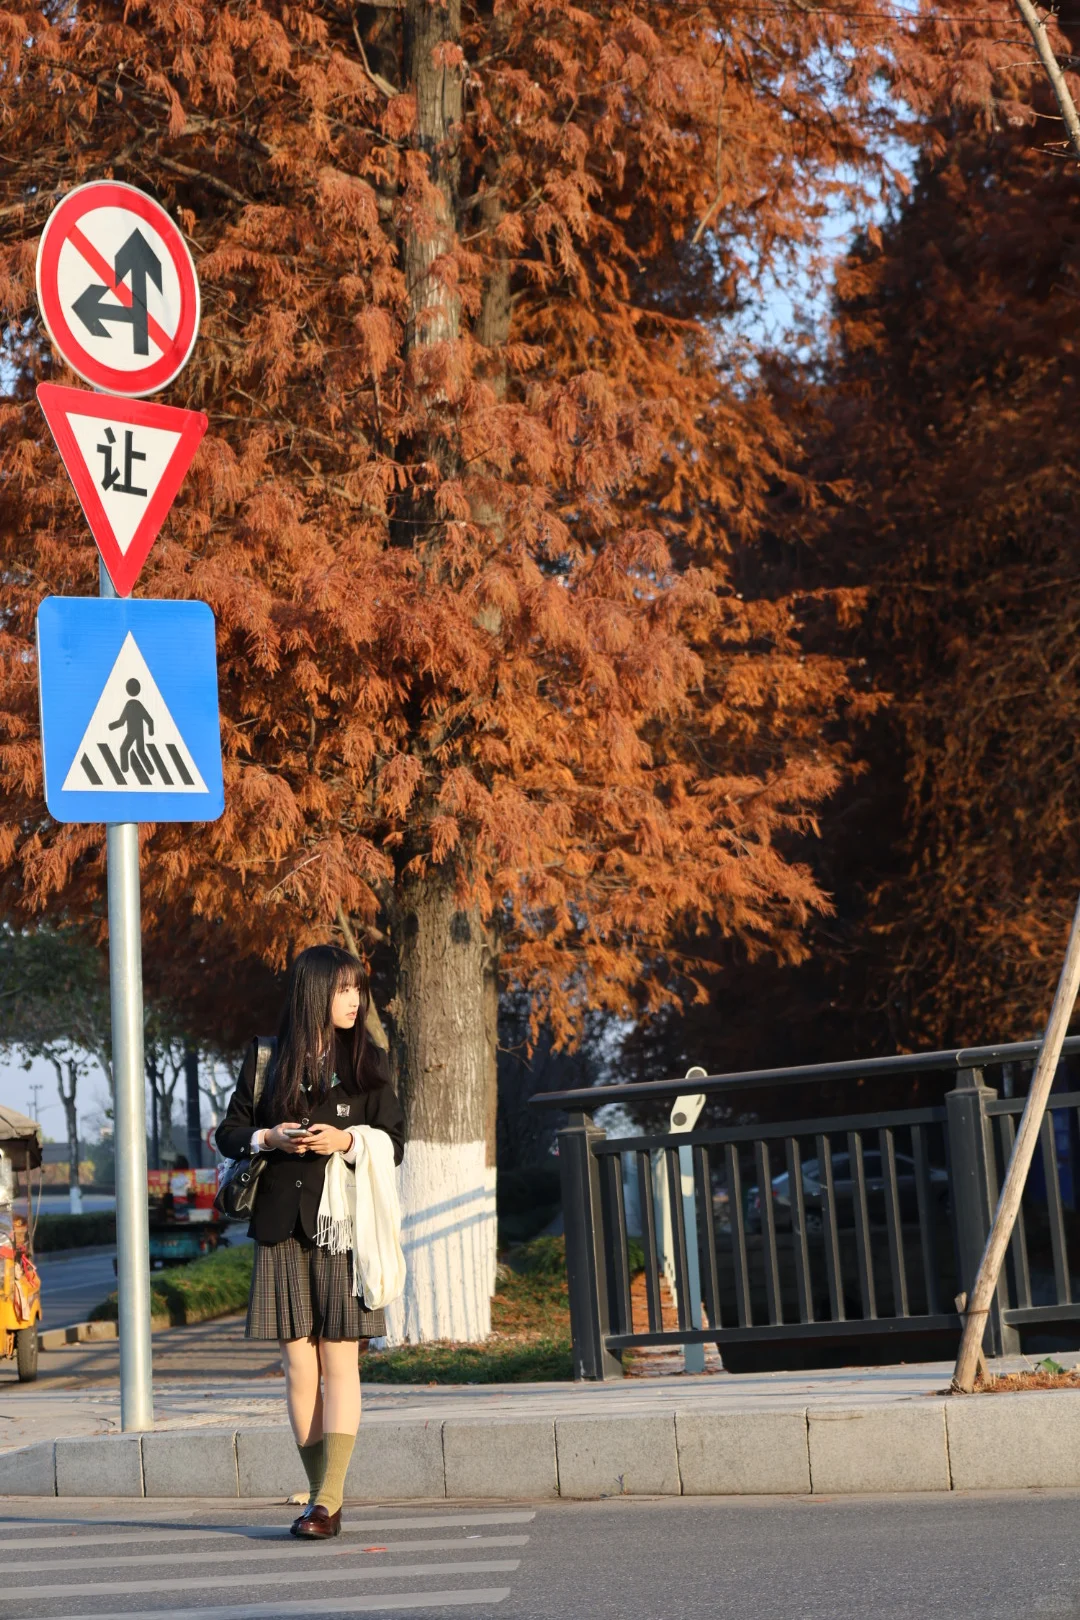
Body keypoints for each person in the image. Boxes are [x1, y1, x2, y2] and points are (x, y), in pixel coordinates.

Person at [216, 944, 405, 1539]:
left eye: (357, 990)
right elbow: (229, 1133)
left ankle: (326, 1499)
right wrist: (271, 1136)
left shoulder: (369, 1059)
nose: (353, 1001)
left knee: (338, 1359)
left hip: (342, 1228)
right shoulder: (266, 1058)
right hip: (280, 1225)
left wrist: (347, 1143)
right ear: (313, 991)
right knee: (299, 1365)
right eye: (342, 989)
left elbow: (393, 1140)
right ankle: (323, 1496)